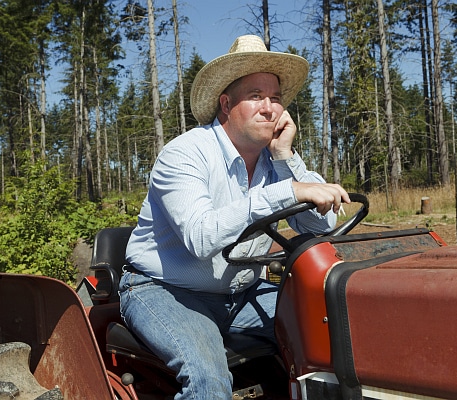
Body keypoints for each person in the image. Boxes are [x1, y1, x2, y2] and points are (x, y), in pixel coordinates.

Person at [119, 35, 350, 399]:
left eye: (275, 98)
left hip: (242, 293)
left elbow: (322, 227)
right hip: (167, 291)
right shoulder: (184, 155)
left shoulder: (276, 161)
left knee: (336, 328)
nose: (270, 108)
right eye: (256, 95)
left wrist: (287, 160)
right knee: (208, 381)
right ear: (226, 104)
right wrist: (285, 192)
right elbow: (200, 238)